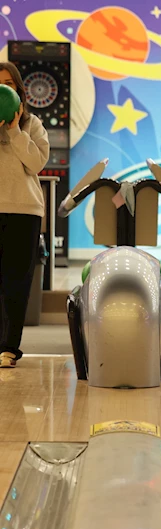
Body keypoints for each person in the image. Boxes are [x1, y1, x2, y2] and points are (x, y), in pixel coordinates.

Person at [0, 62, 49, 368]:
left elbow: (36, 164)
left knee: (16, 282)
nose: (5, 89)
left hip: (23, 210)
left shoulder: (33, 124)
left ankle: (9, 347)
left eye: (9, 83)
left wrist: (14, 130)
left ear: (19, 89)